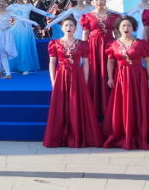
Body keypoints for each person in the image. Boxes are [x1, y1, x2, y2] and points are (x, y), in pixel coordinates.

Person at [102, 16, 149, 150]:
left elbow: (148, 62)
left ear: (133, 28)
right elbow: (110, 62)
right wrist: (110, 78)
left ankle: (141, 134)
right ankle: (123, 134)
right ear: (118, 28)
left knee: (141, 103)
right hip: (121, 77)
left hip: (139, 76)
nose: (126, 28)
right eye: (123, 26)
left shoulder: (141, 43)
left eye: (129, 25)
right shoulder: (113, 44)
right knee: (122, 104)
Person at [43, 17, 104, 148]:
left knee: (76, 104)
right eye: (66, 25)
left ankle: (77, 135)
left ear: (76, 28)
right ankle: (59, 137)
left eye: (71, 25)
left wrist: (85, 79)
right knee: (60, 105)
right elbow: (52, 63)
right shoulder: (55, 43)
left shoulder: (83, 44)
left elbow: (86, 63)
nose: (69, 28)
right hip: (61, 76)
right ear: (62, 28)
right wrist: (53, 80)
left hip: (77, 76)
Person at [79, 0, 121, 116]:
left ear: (105, 0)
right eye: (96, 0)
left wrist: (121, 47)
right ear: (93, 2)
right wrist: (83, 49)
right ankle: (94, 105)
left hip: (109, 45)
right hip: (93, 47)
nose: (99, 2)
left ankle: (111, 105)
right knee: (94, 71)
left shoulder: (114, 16)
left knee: (110, 71)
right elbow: (85, 33)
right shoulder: (87, 16)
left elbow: (117, 33)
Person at [7, 0, 55, 74]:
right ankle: (15, 66)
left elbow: (40, 11)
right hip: (16, 28)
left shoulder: (29, 6)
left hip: (27, 28)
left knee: (25, 46)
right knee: (17, 46)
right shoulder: (11, 6)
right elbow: (1, 13)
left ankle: (25, 67)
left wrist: (53, 16)